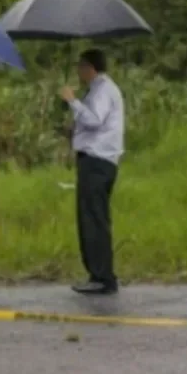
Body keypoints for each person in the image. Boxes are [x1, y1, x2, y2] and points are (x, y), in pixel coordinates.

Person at [59, 48, 124, 295]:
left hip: (97, 161)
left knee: (93, 219)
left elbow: (95, 119)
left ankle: (102, 276)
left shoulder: (103, 89)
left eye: (81, 67)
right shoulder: (100, 90)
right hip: (96, 159)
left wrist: (72, 101)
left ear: (90, 67)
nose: (78, 72)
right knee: (92, 217)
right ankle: (98, 273)